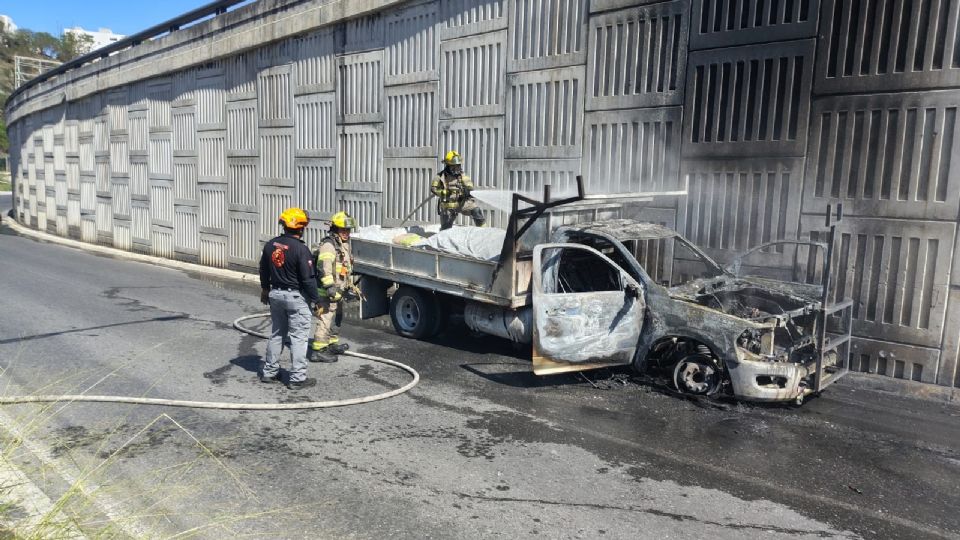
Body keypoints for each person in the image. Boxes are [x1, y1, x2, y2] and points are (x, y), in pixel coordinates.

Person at [258, 207, 321, 390]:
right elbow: (308, 279)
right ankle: (297, 378)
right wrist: (316, 300)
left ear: (284, 225)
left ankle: (270, 372)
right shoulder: (301, 249)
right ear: (301, 228)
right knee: (299, 338)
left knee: (277, 333)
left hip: (275, 295)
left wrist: (265, 289)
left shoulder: (271, 245)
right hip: (295, 297)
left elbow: (263, 269)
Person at [310, 211, 357, 363]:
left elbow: (344, 266)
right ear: (335, 229)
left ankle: (331, 344)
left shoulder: (343, 244)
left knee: (337, 317)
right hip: (327, 291)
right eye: (343, 230)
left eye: (348, 230)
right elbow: (324, 269)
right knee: (326, 318)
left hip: (339, 290)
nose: (346, 233)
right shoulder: (329, 245)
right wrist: (330, 288)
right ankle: (318, 350)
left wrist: (348, 286)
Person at [430, 150, 485, 230]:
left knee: (476, 211)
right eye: (454, 166)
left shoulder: (462, 175)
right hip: (448, 205)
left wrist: (467, 191)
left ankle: (484, 232)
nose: (457, 168)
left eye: (458, 165)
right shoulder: (440, 176)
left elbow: (469, 185)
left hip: (462, 203)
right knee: (446, 229)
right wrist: (443, 192)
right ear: (448, 166)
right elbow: (433, 189)